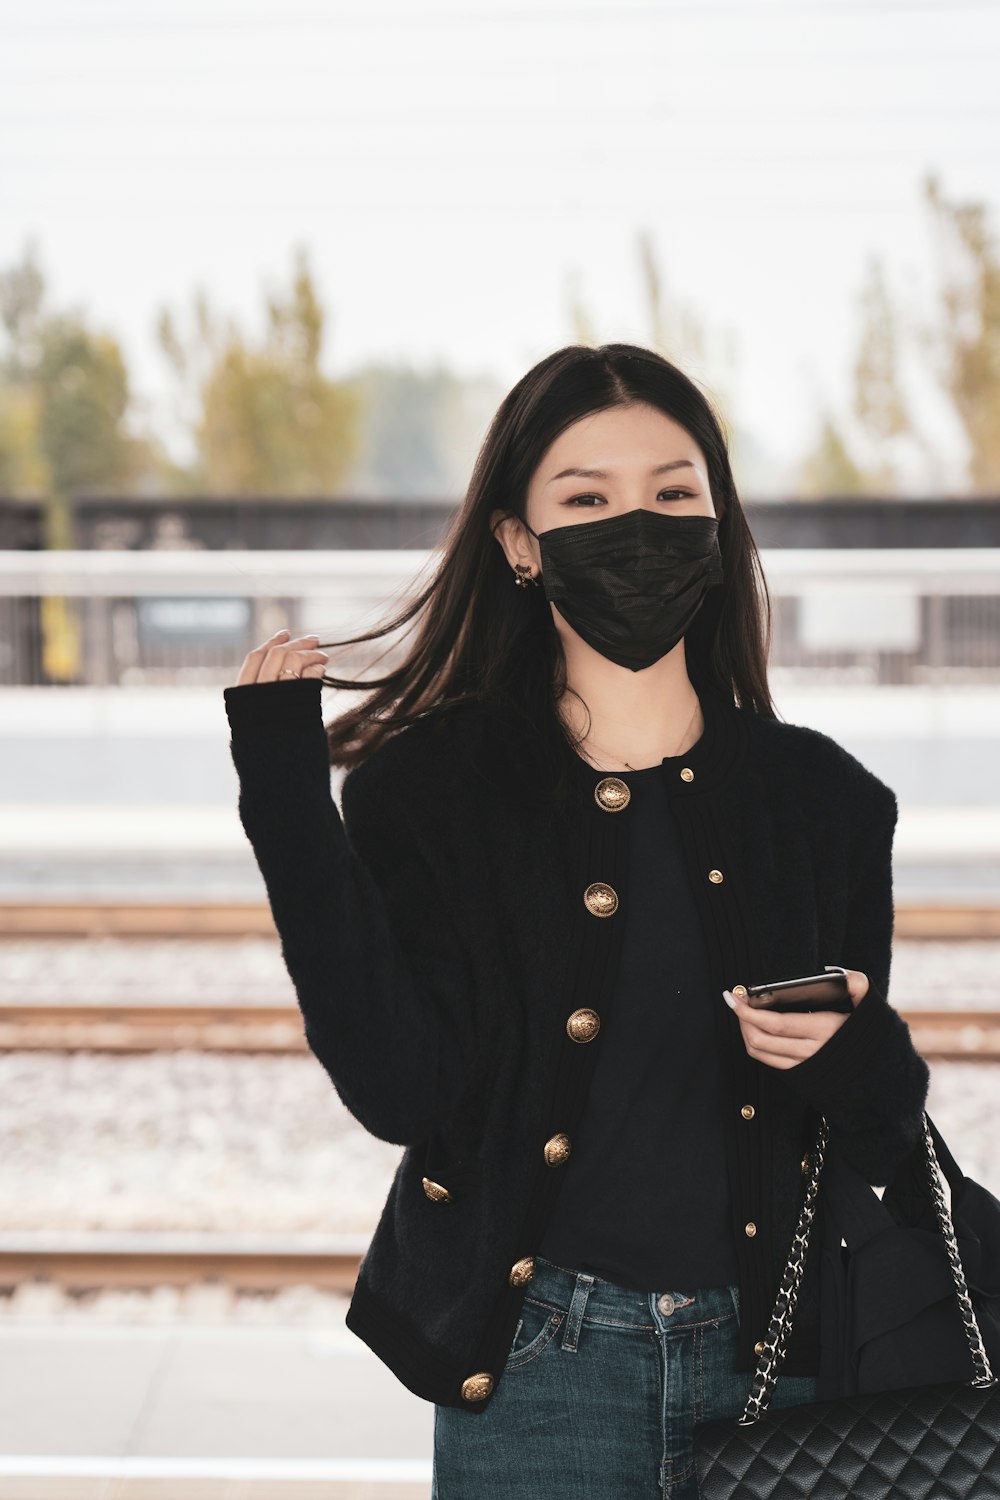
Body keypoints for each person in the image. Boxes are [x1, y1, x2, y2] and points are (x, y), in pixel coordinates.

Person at [223, 342, 930, 1499]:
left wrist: (860, 1050)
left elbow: (879, 1134)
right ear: (516, 538)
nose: (636, 526)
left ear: (715, 521)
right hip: (543, 1370)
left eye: (671, 493)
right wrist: (287, 802)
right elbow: (399, 1093)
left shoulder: (826, 800)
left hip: (791, 1375)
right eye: (587, 499)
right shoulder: (428, 789)